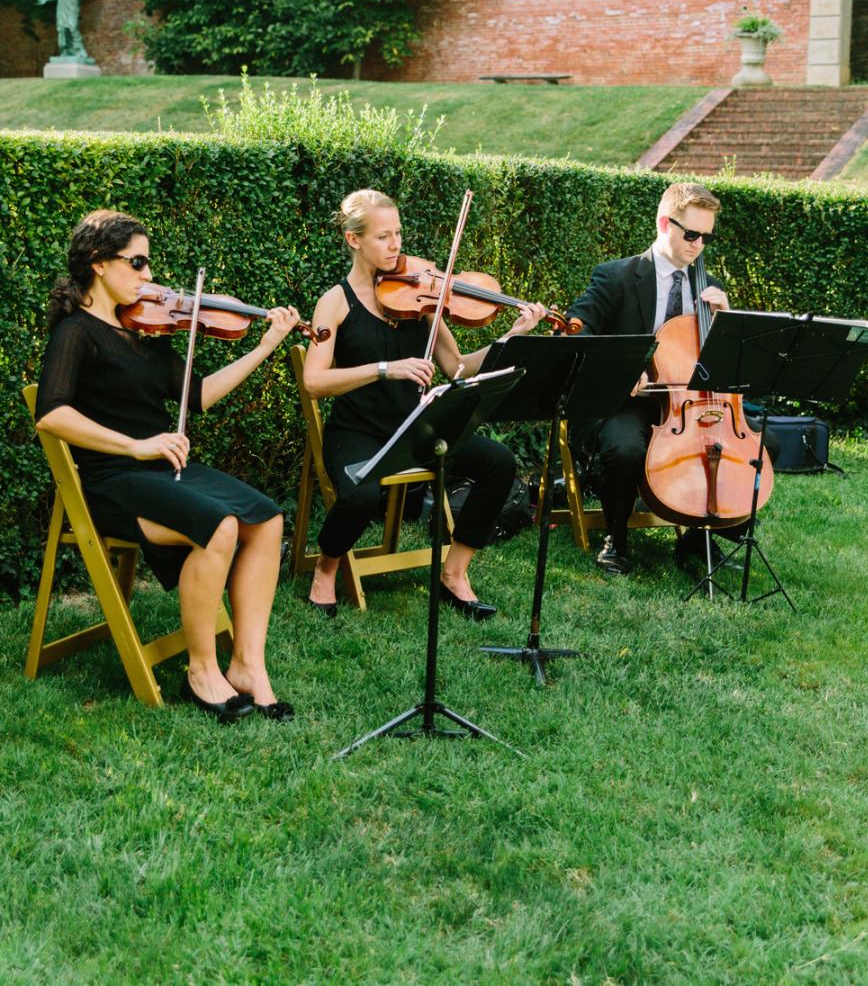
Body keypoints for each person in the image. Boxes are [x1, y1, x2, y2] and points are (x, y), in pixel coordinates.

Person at [35, 210, 301, 722]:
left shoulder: (147, 334)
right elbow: (52, 414)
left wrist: (265, 348)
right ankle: (202, 673)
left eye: (148, 264)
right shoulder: (75, 332)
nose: (149, 276)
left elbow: (197, 396)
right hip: (111, 480)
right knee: (219, 527)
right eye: (137, 263)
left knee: (267, 519)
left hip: (162, 469)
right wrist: (135, 446)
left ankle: (247, 664)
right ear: (98, 263)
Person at [302, 188, 547, 621]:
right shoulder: (335, 302)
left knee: (499, 463)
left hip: (418, 428)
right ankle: (326, 568)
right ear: (354, 240)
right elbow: (314, 381)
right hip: (359, 432)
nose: (396, 245)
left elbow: (456, 367)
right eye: (383, 237)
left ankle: (454, 572)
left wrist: (509, 337)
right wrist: (385, 368)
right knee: (359, 499)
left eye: (398, 233)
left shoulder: (421, 296)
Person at [567, 181, 734, 575]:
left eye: (706, 237)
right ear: (664, 223)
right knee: (624, 448)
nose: (698, 245)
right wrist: (623, 366)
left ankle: (698, 535)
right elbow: (577, 333)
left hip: (690, 404)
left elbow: (725, 363)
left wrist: (727, 322)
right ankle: (616, 538)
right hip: (629, 401)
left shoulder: (708, 287)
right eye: (691, 233)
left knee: (764, 448)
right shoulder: (616, 276)